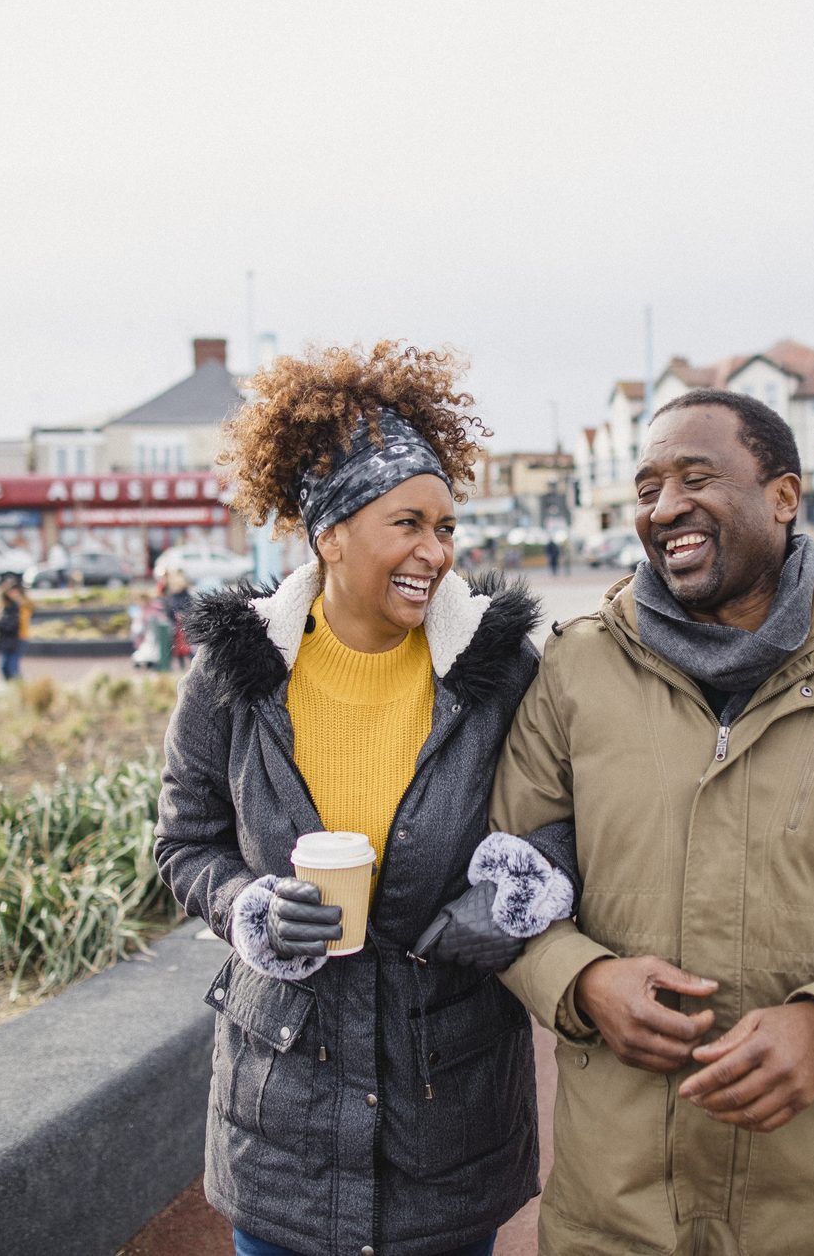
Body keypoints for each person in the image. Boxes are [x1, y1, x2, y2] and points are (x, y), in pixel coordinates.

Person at [490, 388, 814, 1255]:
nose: (666, 509)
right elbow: (503, 880)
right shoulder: (575, 668)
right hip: (615, 1209)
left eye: (697, 477)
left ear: (784, 496)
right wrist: (582, 982)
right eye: (648, 487)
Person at [155, 342, 577, 1256]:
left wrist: (518, 888)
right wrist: (247, 907)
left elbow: (565, 820)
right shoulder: (236, 674)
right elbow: (184, 843)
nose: (437, 551)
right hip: (283, 1119)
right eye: (408, 524)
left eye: (448, 528)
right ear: (330, 533)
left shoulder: (499, 671)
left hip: (451, 1108)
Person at [0, 578, 29, 682]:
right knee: (4, 666)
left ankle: (19, 687)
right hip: (6, 639)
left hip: (19, 637)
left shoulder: (21, 605)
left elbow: (22, 619)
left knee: (13, 667)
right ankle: (11, 686)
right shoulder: (5, 606)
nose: (13, 594)